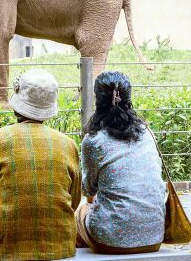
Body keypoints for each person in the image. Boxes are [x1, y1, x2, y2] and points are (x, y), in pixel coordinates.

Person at [0, 69, 81, 260]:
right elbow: (74, 200)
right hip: (60, 244)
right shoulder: (68, 144)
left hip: (2, 244)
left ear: (16, 102)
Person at [76, 71, 166, 254]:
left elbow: (89, 190)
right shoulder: (147, 133)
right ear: (129, 98)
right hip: (155, 237)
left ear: (97, 100)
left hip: (109, 241)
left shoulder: (93, 141)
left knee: (80, 212)